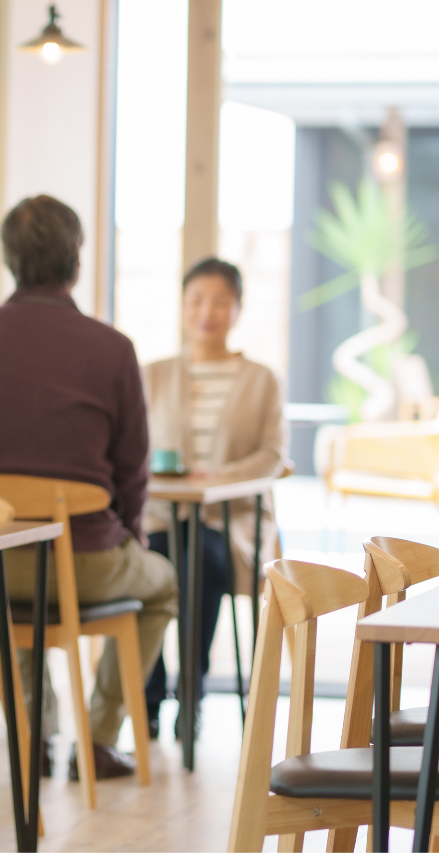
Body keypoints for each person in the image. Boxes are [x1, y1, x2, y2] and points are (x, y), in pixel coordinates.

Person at [0, 195, 178, 780]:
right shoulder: (112, 347)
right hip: (85, 562)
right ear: (76, 260)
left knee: (14, 588)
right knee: (164, 587)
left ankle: (34, 734)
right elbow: (132, 469)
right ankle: (98, 738)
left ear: (9, 259)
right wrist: (127, 535)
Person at [142, 257, 288, 735]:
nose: (207, 311)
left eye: (220, 301)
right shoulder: (154, 374)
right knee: (149, 558)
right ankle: (149, 687)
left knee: (198, 559)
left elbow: (272, 456)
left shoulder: (261, 378)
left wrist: (214, 478)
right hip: (162, 516)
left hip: (233, 520)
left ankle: (192, 691)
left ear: (238, 309)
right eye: (197, 300)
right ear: (183, 307)